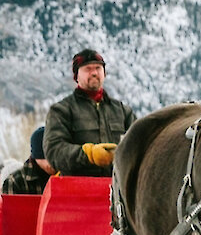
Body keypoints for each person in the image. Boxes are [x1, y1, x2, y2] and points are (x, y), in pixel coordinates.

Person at [44, 49, 136, 177]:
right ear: (76, 76)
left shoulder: (123, 111)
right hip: (76, 189)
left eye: (98, 68)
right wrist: (89, 154)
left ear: (104, 73)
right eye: (87, 69)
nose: (94, 73)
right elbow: (54, 152)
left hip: (117, 189)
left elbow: (139, 144)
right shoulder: (61, 110)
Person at [2, 126, 55, 196]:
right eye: (46, 158)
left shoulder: (66, 174)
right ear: (36, 157)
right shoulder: (15, 181)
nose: (52, 163)